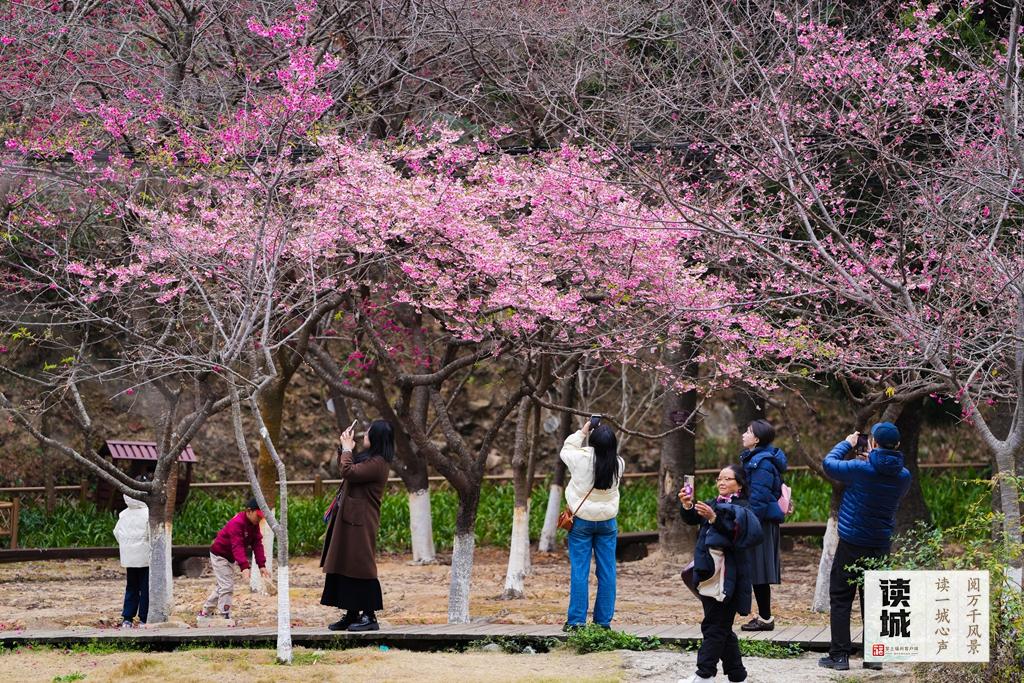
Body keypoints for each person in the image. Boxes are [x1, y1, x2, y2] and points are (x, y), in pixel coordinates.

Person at [818, 422, 911, 672]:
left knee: (841, 598)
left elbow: (828, 464)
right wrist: (874, 459)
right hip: (880, 544)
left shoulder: (860, 468)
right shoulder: (904, 476)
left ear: (873, 443)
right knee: (874, 601)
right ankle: (874, 657)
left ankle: (839, 656)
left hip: (851, 542)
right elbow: (884, 478)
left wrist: (847, 443)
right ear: (897, 445)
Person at [677, 464, 763, 683]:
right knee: (721, 626)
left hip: (729, 576)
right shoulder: (714, 503)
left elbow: (738, 534)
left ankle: (704, 674)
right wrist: (687, 505)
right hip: (709, 573)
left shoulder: (745, 508)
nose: (721, 482)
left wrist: (714, 518)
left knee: (715, 626)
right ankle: (738, 676)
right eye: (719, 478)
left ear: (739, 484)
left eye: (727, 479)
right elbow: (693, 519)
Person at [320, 419, 393, 632]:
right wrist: (344, 448)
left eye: (369, 433)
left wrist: (347, 449)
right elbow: (347, 467)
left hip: (361, 521)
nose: (365, 435)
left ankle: (369, 616)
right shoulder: (370, 459)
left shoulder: (378, 463)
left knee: (361, 565)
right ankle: (352, 613)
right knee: (345, 563)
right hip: (350, 519)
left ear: (377, 437)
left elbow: (348, 471)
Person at [560, 417, 624, 630]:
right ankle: (603, 622)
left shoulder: (580, 459)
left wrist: (583, 430)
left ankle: (577, 622)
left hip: (581, 522)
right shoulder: (619, 464)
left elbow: (566, 449)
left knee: (580, 570)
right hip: (607, 522)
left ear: (592, 441)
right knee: (608, 571)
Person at [738, 419, 788, 632]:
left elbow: (758, 499)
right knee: (757, 570)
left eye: (748, 431)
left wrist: (748, 524)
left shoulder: (761, 463)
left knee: (758, 570)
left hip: (760, 522)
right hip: (760, 520)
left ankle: (765, 618)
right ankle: (764, 616)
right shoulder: (757, 459)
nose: (744, 434)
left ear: (757, 439)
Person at [198, 498, 271, 619]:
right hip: (219, 555)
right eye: (257, 516)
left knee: (223, 586)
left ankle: (205, 613)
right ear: (249, 511)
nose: (259, 519)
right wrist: (244, 567)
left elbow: (257, 544)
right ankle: (224, 615)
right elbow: (237, 546)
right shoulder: (237, 523)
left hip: (229, 557)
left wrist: (262, 565)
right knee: (227, 585)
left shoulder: (254, 525)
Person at [113, 492, 150, 628]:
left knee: (131, 587)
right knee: (146, 588)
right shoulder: (148, 513)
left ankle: (127, 618)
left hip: (129, 558)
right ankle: (144, 618)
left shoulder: (123, 515)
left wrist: (126, 546)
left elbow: (116, 532)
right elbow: (152, 534)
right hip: (145, 557)